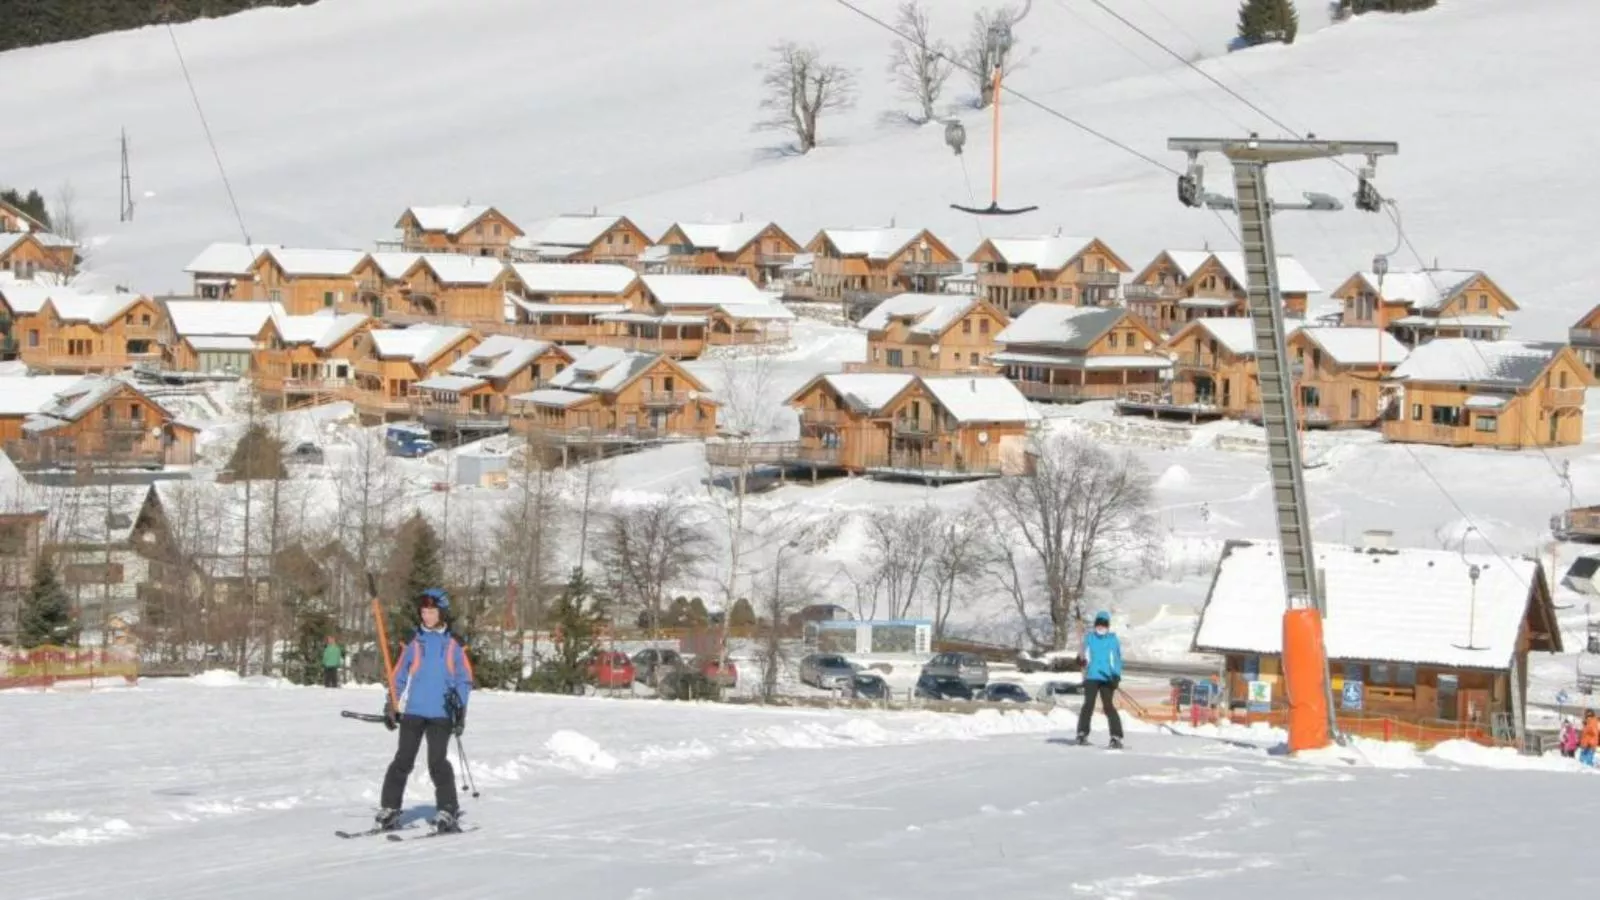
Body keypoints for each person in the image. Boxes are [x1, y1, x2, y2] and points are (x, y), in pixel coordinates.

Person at [375, 588, 473, 833]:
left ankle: (447, 809)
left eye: (431, 611)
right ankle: (390, 808)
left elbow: (465, 679)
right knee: (402, 760)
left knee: (437, 762)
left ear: (441, 613)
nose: (426, 615)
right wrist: (392, 703)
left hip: (441, 713)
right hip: (414, 711)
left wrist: (460, 707)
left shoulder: (453, 644)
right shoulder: (413, 642)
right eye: (423, 611)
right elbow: (397, 675)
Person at [1075, 609, 1124, 749]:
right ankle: (1082, 733)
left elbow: (1116, 659)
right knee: (1088, 704)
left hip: (1107, 677)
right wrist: (1080, 660)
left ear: (1108, 626)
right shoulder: (1090, 638)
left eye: (1103, 624)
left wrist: (1116, 676)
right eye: (1098, 624)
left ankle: (1116, 736)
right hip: (1091, 676)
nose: (1100, 626)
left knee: (1108, 706)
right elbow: (1084, 654)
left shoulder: (1112, 639)